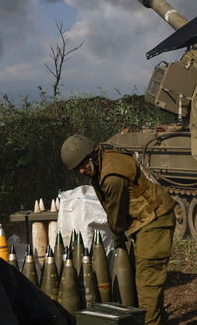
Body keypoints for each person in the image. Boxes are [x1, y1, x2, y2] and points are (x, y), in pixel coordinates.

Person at [61, 134, 175, 325]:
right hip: (146, 222)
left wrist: (118, 238)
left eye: (82, 165)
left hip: (154, 222)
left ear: (91, 156)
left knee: (147, 284)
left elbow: (116, 217)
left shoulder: (111, 176)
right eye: (77, 169)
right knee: (149, 281)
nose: (81, 171)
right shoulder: (105, 161)